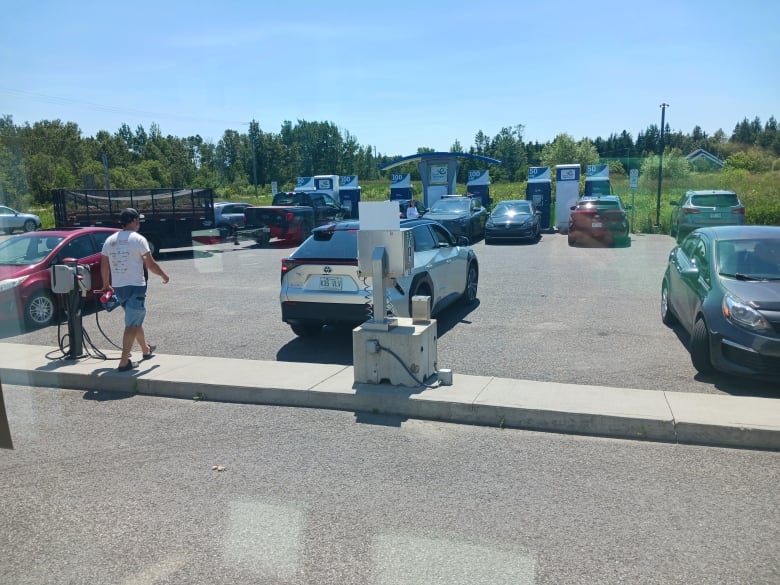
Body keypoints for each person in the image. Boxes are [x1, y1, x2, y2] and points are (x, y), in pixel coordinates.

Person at [101, 208, 170, 371]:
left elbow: (104, 264)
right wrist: (163, 275)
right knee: (132, 324)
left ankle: (146, 350)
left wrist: (106, 284)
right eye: (138, 220)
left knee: (135, 319)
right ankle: (124, 362)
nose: (139, 223)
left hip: (119, 287)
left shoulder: (110, 240)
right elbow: (150, 264)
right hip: (136, 287)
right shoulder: (138, 239)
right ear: (132, 221)